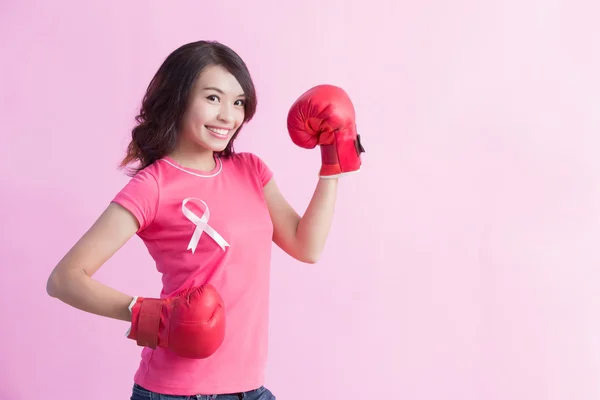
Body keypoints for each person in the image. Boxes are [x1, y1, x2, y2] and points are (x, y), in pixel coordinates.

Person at [46, 40, 365, 399]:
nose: (228, 116)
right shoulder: (154, 185)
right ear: (179, 98)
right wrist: (154, 318)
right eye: (213, 98)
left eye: (238, 102)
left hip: (249, 388)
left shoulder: (251, 170)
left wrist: (333, 164)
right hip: (178, 392)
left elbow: (307, 247)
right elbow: (64, 280)